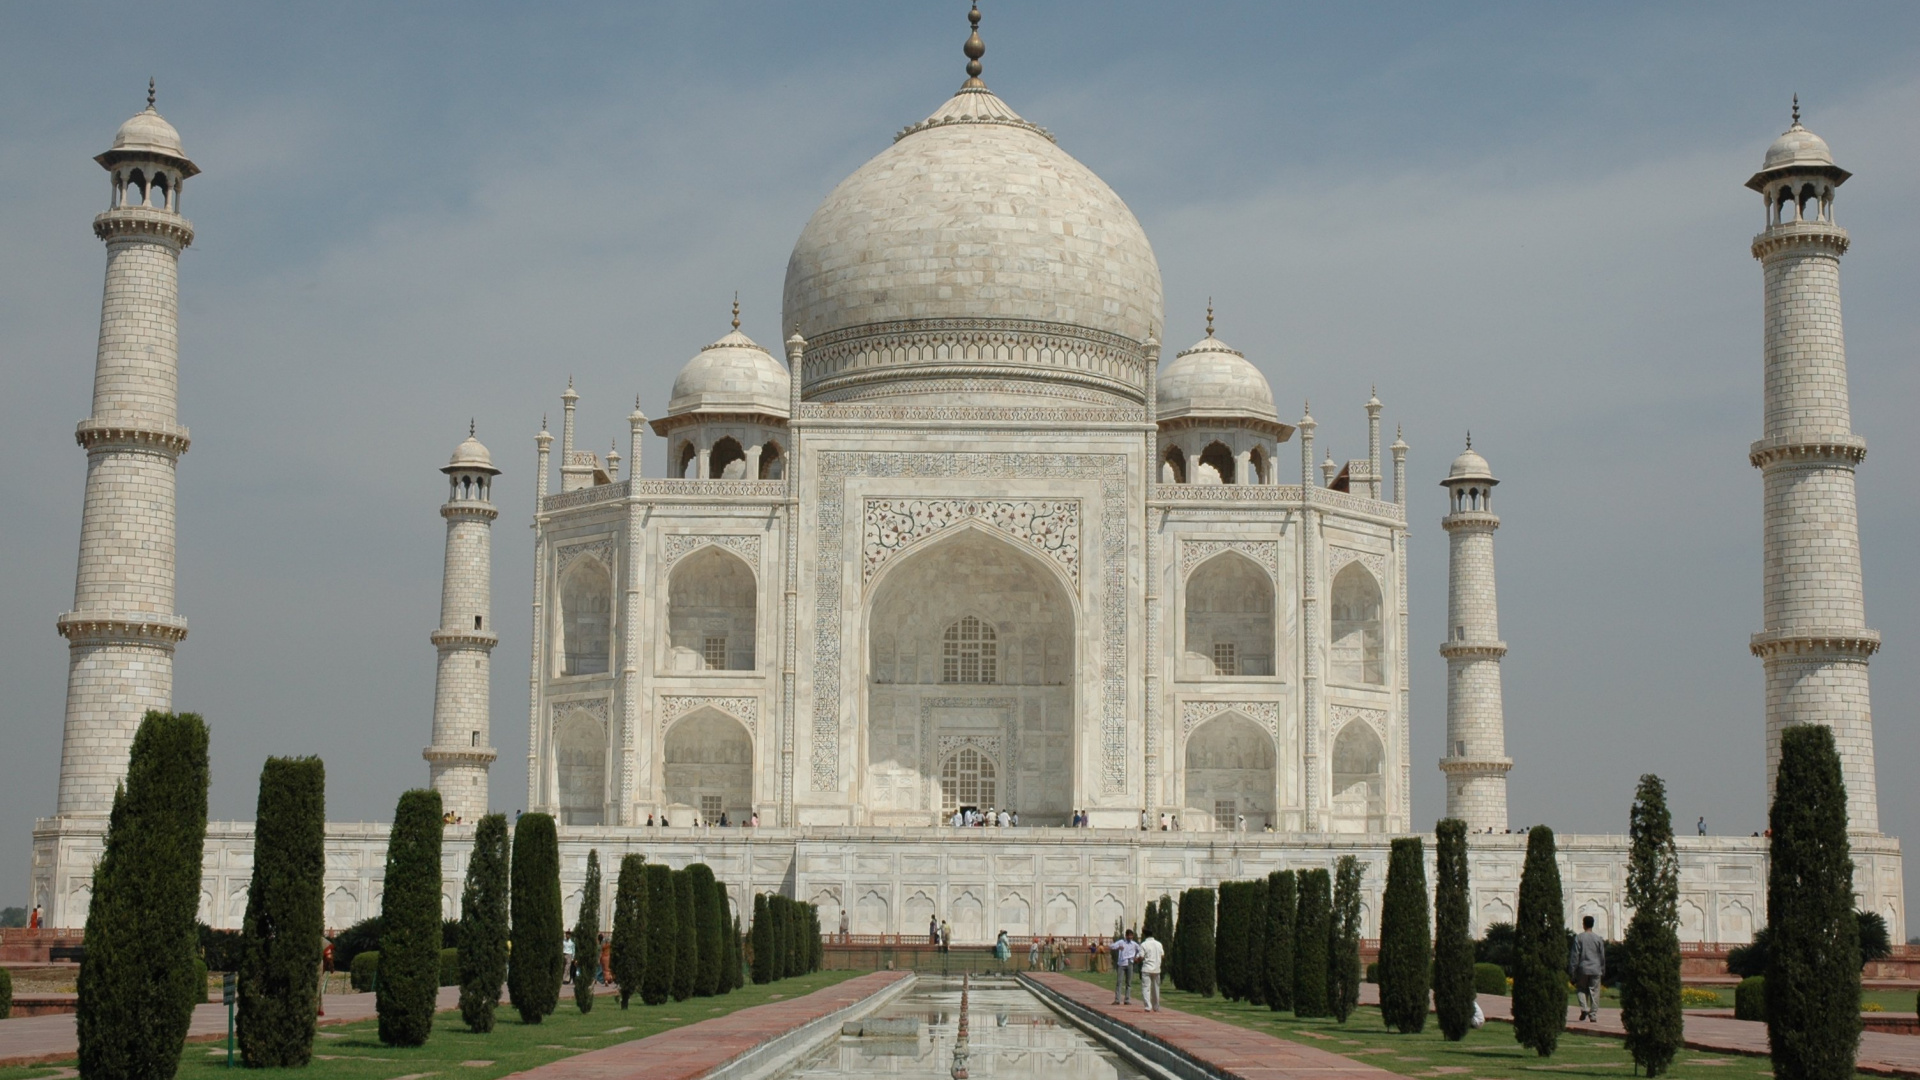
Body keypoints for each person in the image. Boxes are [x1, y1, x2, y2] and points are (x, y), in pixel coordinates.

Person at [1568, 915, 1606, 1021]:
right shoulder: (1598, 939)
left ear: (1583, 924)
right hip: (1596, 968)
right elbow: (1602, 956)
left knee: (1581, 989)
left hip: (1583, 968)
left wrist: (1572, 970)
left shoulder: (1579, 937)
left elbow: (1575, 955)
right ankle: (1593, 1014)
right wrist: (1603, 969)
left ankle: (1584, 1008)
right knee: (1595, 992)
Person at [1137, 926, 1165, 1012]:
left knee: (1146, 987)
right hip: (1156, 968)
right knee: (1156, 988)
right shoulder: (1159, 944)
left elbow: (1141, 957)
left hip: (1147, 968)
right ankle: (1156, 1006)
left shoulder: (1144, 944)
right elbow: (1162, 955)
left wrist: (1136, 960)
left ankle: (1148, 1006)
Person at [1109, 928, 1139, 1004]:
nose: (1130, 937)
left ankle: (1127, 1000)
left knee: (1128, 982)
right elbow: (1111, 946)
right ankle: (1117, 1000)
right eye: (1128, 935)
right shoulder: (1121, 942)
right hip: (1121, 963)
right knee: (1119, 982)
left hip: (1130, 962)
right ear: (1126, 936)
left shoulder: (1134, 944)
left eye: (1131, 936)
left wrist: (1136, 957)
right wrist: (1118, 947)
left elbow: (1140, 950)